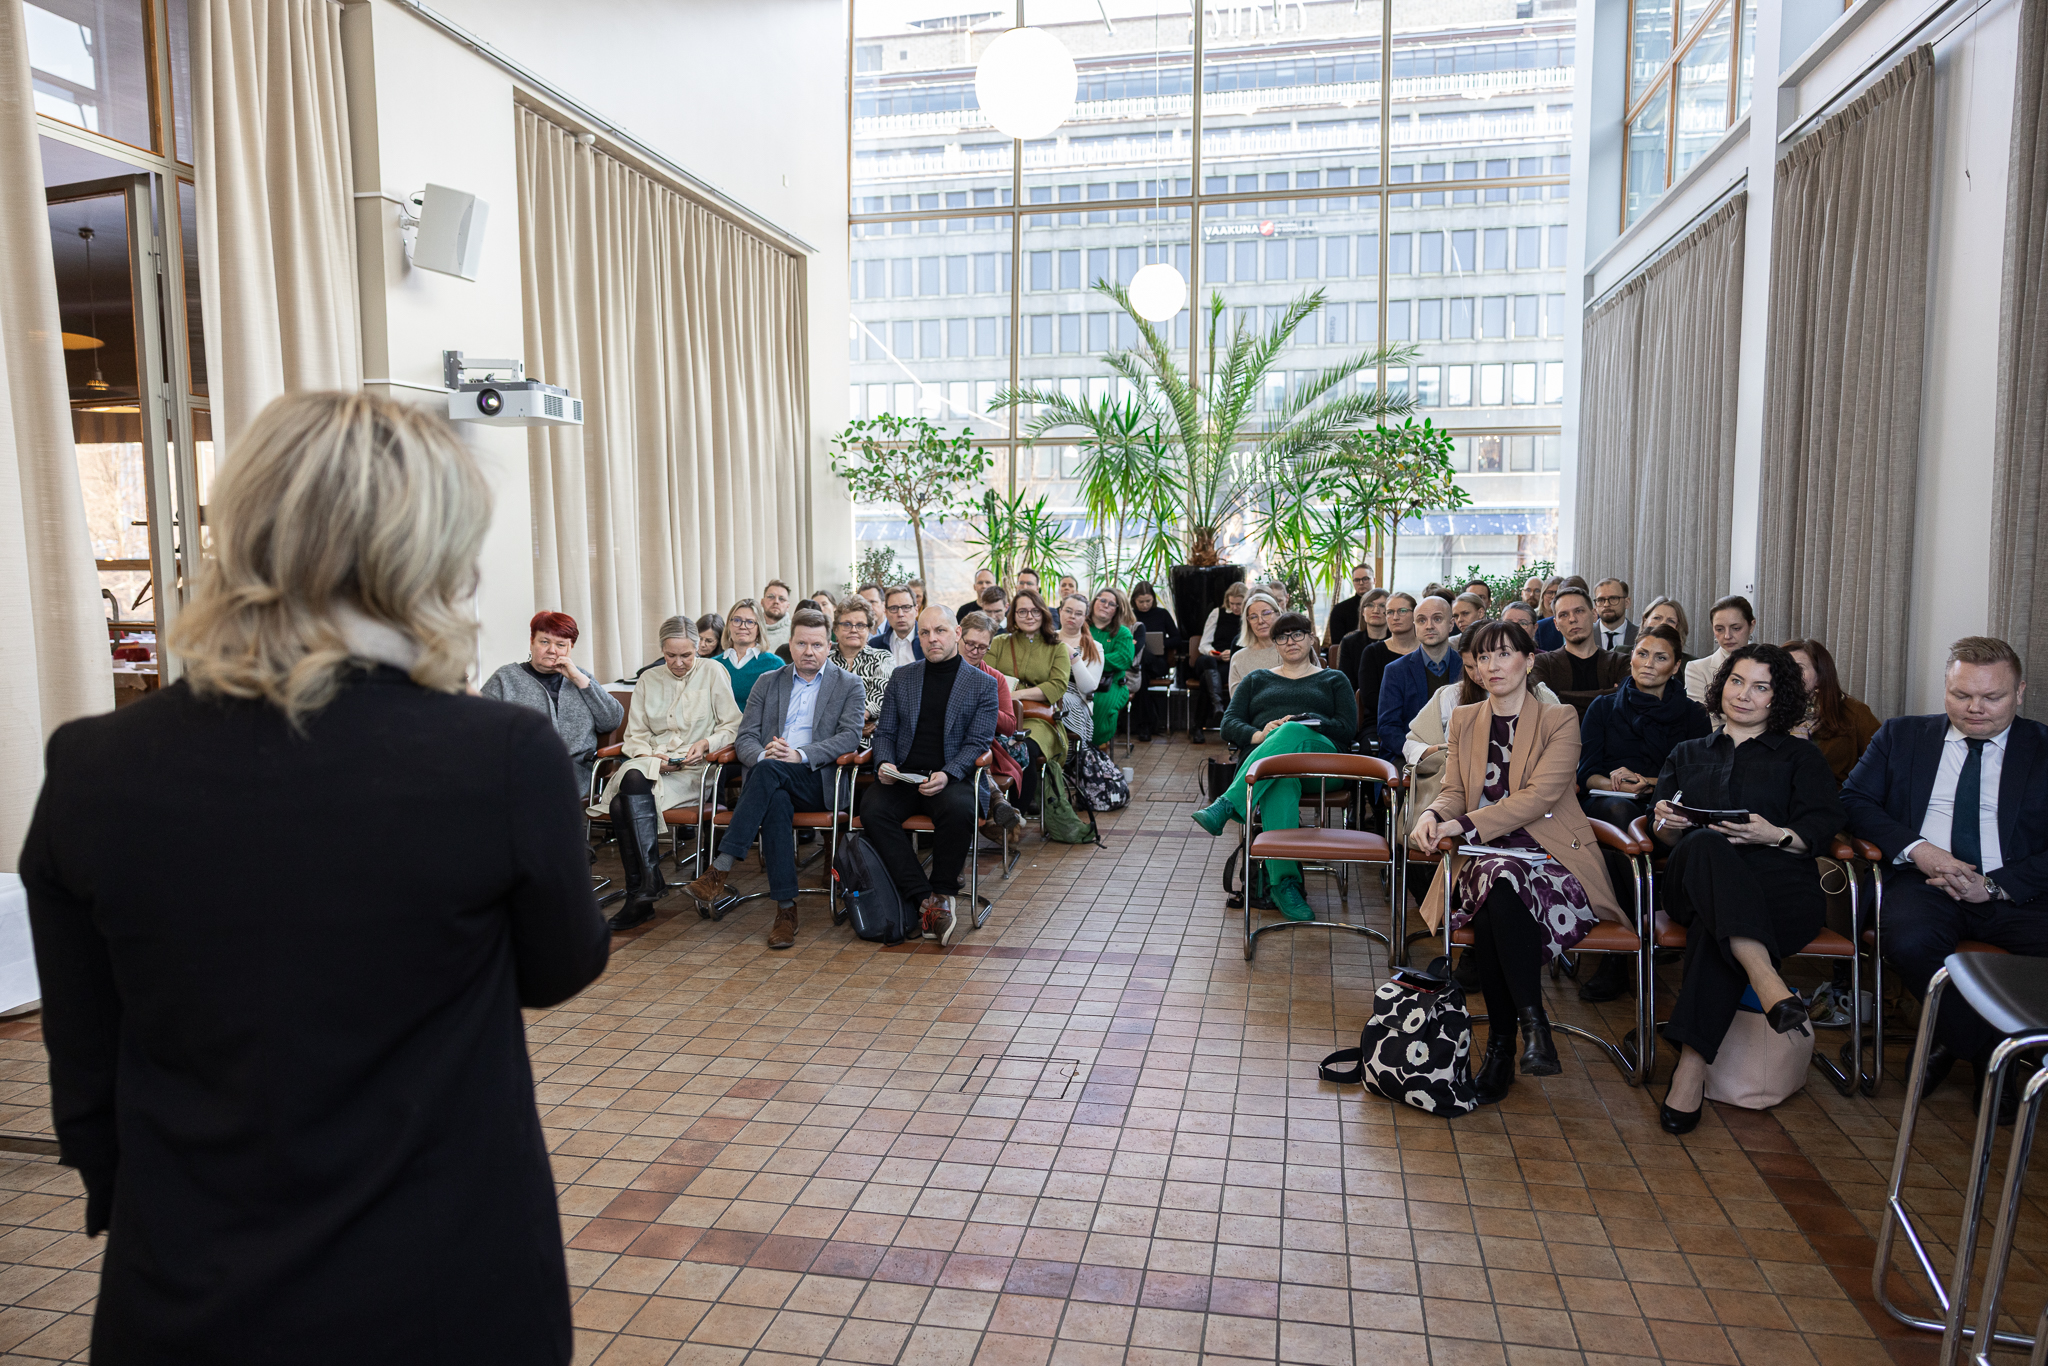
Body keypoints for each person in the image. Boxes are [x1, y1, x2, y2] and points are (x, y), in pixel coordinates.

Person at [20, 391, 610, 1361]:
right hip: (447, 1279)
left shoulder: (93, 765)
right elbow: (558, 968)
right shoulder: (498, 756)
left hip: (186, 1280)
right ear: (428, 557)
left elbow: (85, 1068)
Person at [1406, 620, 1625, 1105]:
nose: (1492, 666)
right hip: (1486, 856)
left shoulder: (1560, 718)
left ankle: (1503, 1047)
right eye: (1483, 658)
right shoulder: (1463, 719)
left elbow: (1540, 797)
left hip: (1548, 856)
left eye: (1503, 654)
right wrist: (1431, 814)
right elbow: (1454, 792)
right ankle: (1532, 1025)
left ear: (1529, 660)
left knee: (1497, 892)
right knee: (1498, 879)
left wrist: (1460, 826)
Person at [1842, 637, 2048, 1119]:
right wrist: (1922, 850)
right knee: (1910, 944)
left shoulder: (2042, 748)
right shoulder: (1901, 736)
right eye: (1961, 695)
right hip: (1924, 882)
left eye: (1991, 697)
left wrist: (1994, 885)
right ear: (1946, 690)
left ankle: (1949, 1042)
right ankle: (1988, 1056)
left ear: (2019, 692)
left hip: (2016, 890)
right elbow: (1853, 802)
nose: (1975, 708)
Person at [1648, 644, 1846, 1133]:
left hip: (1780, 890)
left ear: (1777, 699)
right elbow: (1661, 831)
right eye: (1737, 681)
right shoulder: (1687, 752)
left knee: (1719, 935)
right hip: (1693, 882)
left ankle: (1690, 1070)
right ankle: (1765, 978)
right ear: (1721, 685)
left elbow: (1824, 823)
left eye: (1761, 687)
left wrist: (1774, 834)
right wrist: (1667, 824)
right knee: (1705, 846)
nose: (1744, 695)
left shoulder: (1801, 756)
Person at [682, 610, 864, 948]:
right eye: (801, 644)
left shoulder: (849, 684)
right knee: (775, 798)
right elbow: (746, 736)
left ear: (830, 646)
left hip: (815, 780)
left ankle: (721, 867)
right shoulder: (768, 681)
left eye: (817, 644)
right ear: (790, 644)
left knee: (769, 775)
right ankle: (785, 910)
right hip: (771, 777)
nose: (809, 651)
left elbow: (849, 738)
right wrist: (765, 754)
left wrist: (800, 754)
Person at [1573, 624, 1711, 1002]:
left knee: (1660, 824)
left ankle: (1628, 944)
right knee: (1618, 816)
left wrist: (1648, 781)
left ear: (1676, 666)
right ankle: (1628, 940)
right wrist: (1616, 780)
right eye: (1642, 654)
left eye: (1660, 657)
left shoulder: (1693, 716)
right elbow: (1587, 773)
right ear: (1630, 658)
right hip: (1609, 801)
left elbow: (1695, 775)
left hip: (1666, 802)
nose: (1648, 664)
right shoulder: (1603, 707)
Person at [1190, 612, 1358, 922]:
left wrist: (1306, 723)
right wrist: (1262, 734)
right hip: (1272, 772)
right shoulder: (1257, 679)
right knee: (1278, 781)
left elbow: (1348, 728)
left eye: (1297, 635)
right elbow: (1228, 725)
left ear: (1311, 639)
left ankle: (1228, 803)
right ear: (1274, 643)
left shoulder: (1334, 679)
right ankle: (1284, 884)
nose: (1290, 641)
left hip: (1324, 769)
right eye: (1282, 636)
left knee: (1292, 730)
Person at [864, 608, 1001, 947]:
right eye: (924, 633)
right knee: (872, 808)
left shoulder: (983, 684)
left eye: (939, 631)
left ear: (956, 633)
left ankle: (943, 891)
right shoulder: (903, 676)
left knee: (958, 809)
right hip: (905, 776)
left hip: (952, 776)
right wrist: (885, 764)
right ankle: (923, 897)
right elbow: (885, 733)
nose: (932, 639)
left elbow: (978, 744)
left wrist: (949, 772)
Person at [596, 618, 744, 928]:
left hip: (694, 771)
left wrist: (706, 743)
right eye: (670, 656)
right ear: (661, 651)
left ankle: (643, 894)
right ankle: (647, 885)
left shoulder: (713, 672)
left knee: (620, 803)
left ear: (698, 649)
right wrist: (653, 756)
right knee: (635, 775)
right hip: (652, 764)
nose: (678, 663)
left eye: (686, 655)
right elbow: (635, 734)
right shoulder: (649, 679)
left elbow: (733, 725)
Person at [480, 610, 625, 795]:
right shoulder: (506, 678)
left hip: (573, 771)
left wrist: (581, 682)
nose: (552, 650)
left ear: (569, 648)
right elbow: (480, 726)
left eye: (560, 644)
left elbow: (612, 720)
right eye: (544, 642)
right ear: (531, 642)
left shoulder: (581, 678)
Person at [987, 588, 1073, 805]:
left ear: (1043, 613)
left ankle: (1017, 812)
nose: (1029, 617)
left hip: (1039, 720)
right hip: (1002, 717)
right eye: (1022, 611)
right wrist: (1009, 700)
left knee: (1024, 748)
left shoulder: (1058, 648)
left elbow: (1057, 686)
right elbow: (986, 678)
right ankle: (995, 807)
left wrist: (1015, 694)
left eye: (1035, 611)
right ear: (1013, 615)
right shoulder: (999, 643)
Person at [959, 612, 1027, 836]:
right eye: (970, 644)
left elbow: (1009, 725)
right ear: (958, 636)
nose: (975, 651)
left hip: (985, 748)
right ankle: (996, 807)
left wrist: (982, 705)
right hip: (945, 744)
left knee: (974, 748)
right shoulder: (943, 668)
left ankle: (991, 815)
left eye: (982, 647)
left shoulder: (994, 677)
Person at [1785, 638, 1882, 783]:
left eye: (1798, 669)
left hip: (1835, 800)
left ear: (1820, 676)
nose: (1789, 675)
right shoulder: (1766, 710)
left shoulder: (1854, 712)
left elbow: (1882, 764)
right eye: (1784, 668)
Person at [1530, 586, 1629, 717]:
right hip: (1559, 736)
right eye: (1564, 614)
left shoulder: (1620, 662)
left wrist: (1562, 697)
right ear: (1556, 624)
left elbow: (1626, 706)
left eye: (1579, 611)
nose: (1572, 619)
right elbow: (1545, 710)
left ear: (1594, 615)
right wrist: (1611, 694)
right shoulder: (1543, 664)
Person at [1378, 595, 1460, 745]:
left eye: (1437, 619)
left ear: (1450, 624)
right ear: (1415, 626)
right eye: (1422, 620)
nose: (1429, 626)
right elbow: (1388, 727)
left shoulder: (1467, 667)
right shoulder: (1395, 671)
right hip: (1409, 755)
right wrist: (1420, 753)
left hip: (1459, 753)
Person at [1354, 592, 1421, 751]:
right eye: (1390, 612)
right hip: (1380, 721)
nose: (1395, 617)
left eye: (1402, 611)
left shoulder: (1427, 651)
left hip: (1424, 720)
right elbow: (1370, 698)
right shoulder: (1372, 652)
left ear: (1415, 614)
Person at [1192, 580, 1248, 743]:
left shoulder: (1248, 617)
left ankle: (1199, 725)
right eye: (1232, 604)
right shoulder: (1218, 613)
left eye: (1239, 604)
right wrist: (1214, 653)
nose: (1236, 607)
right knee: (1208, 662)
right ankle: (1217, 705)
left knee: (1205, 680)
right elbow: (1204, 644)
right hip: (1211, 659)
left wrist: (1233, 653)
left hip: (1231, 663)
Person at [828, 595, 894, 727]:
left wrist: (854, 720)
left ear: (869, 629)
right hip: (825, 736)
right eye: (847, 624)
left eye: (860, 625)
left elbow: (879, 697)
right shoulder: (825, 660)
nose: (853, 630)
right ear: (836, 629)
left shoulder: (883, 658)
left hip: (868, 739)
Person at [1129, 580, 1181, 741]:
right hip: (1139, 665)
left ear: (1153, 599)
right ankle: (1148, 723)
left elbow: (1177, 639)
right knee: (1141, 674)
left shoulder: (1162, 614)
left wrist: (1160, 643)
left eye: (1148, 601)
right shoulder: (1130, 616)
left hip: (1159, 663)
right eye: (1141, 602)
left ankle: (1144, 724)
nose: (1144, 605)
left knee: (1141, 667)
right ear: (1134, 601)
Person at [1086, 586, 1138, 746]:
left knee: (1100, 704)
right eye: (1102, 600)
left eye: (1111, 604)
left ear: (1116, 610)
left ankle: (1093, 749)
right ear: (1094, 602)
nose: (1106, 605)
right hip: (1079, 682)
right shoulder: (1082, 628)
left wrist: (1089, 659)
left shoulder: (1122, 633)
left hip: (1110, 685)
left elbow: (1123, 658)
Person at [1684, 595, 1756, 706]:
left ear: (1751, 626)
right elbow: (1703, 719)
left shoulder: (1769, 665)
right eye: (1719, 629)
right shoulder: (1698, 669)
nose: (1727, 636)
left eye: (1736, 628)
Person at [715, 600, 783, 710]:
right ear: (729, 626)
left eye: (750, 622)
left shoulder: (775, 665)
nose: (742, 626)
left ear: (759, 628)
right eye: (737, 620)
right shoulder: (714, 664)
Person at [1227, 593, 1285, 695]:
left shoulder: (1295, 649)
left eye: (1266, 613)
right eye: (1253, 617)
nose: (1260, 621)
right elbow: (1237, 705)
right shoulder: (1239, 659)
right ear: (1248, 623)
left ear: (1278, 614)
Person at [1324, 563, 1375, 648]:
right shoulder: (1340, 609)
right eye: (1357, 580)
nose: (1361, 583)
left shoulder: (1386, 606)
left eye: (1365, 579)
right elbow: (1337, 645)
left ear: (1374, 580)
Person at [871, 584, 923, 666]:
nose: (900, 614)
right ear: (886, 612)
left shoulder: (927, 642)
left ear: (916, 611)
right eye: (893, 608)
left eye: (906, 607)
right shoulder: (875, 646)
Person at [1641, 597, 1692, 664]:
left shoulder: (1691, 665)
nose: (1663, 624)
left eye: (1671, 621)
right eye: (1657, 618)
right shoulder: (1624, 656)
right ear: (1645, 620)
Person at [1592, 579, 1635, 653]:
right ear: (1596, 605)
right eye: (1601, 600)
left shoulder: (1641, 636)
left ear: (1627, 602)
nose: (1606, 604)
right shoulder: (1584, 634)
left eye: (1613, 598)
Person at [759, 579, 794, 651]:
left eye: (782, 599)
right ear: (762, 602)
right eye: (771, 597)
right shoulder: (751, 629)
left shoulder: (795, 631)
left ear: (788, 606)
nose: (776, 601)